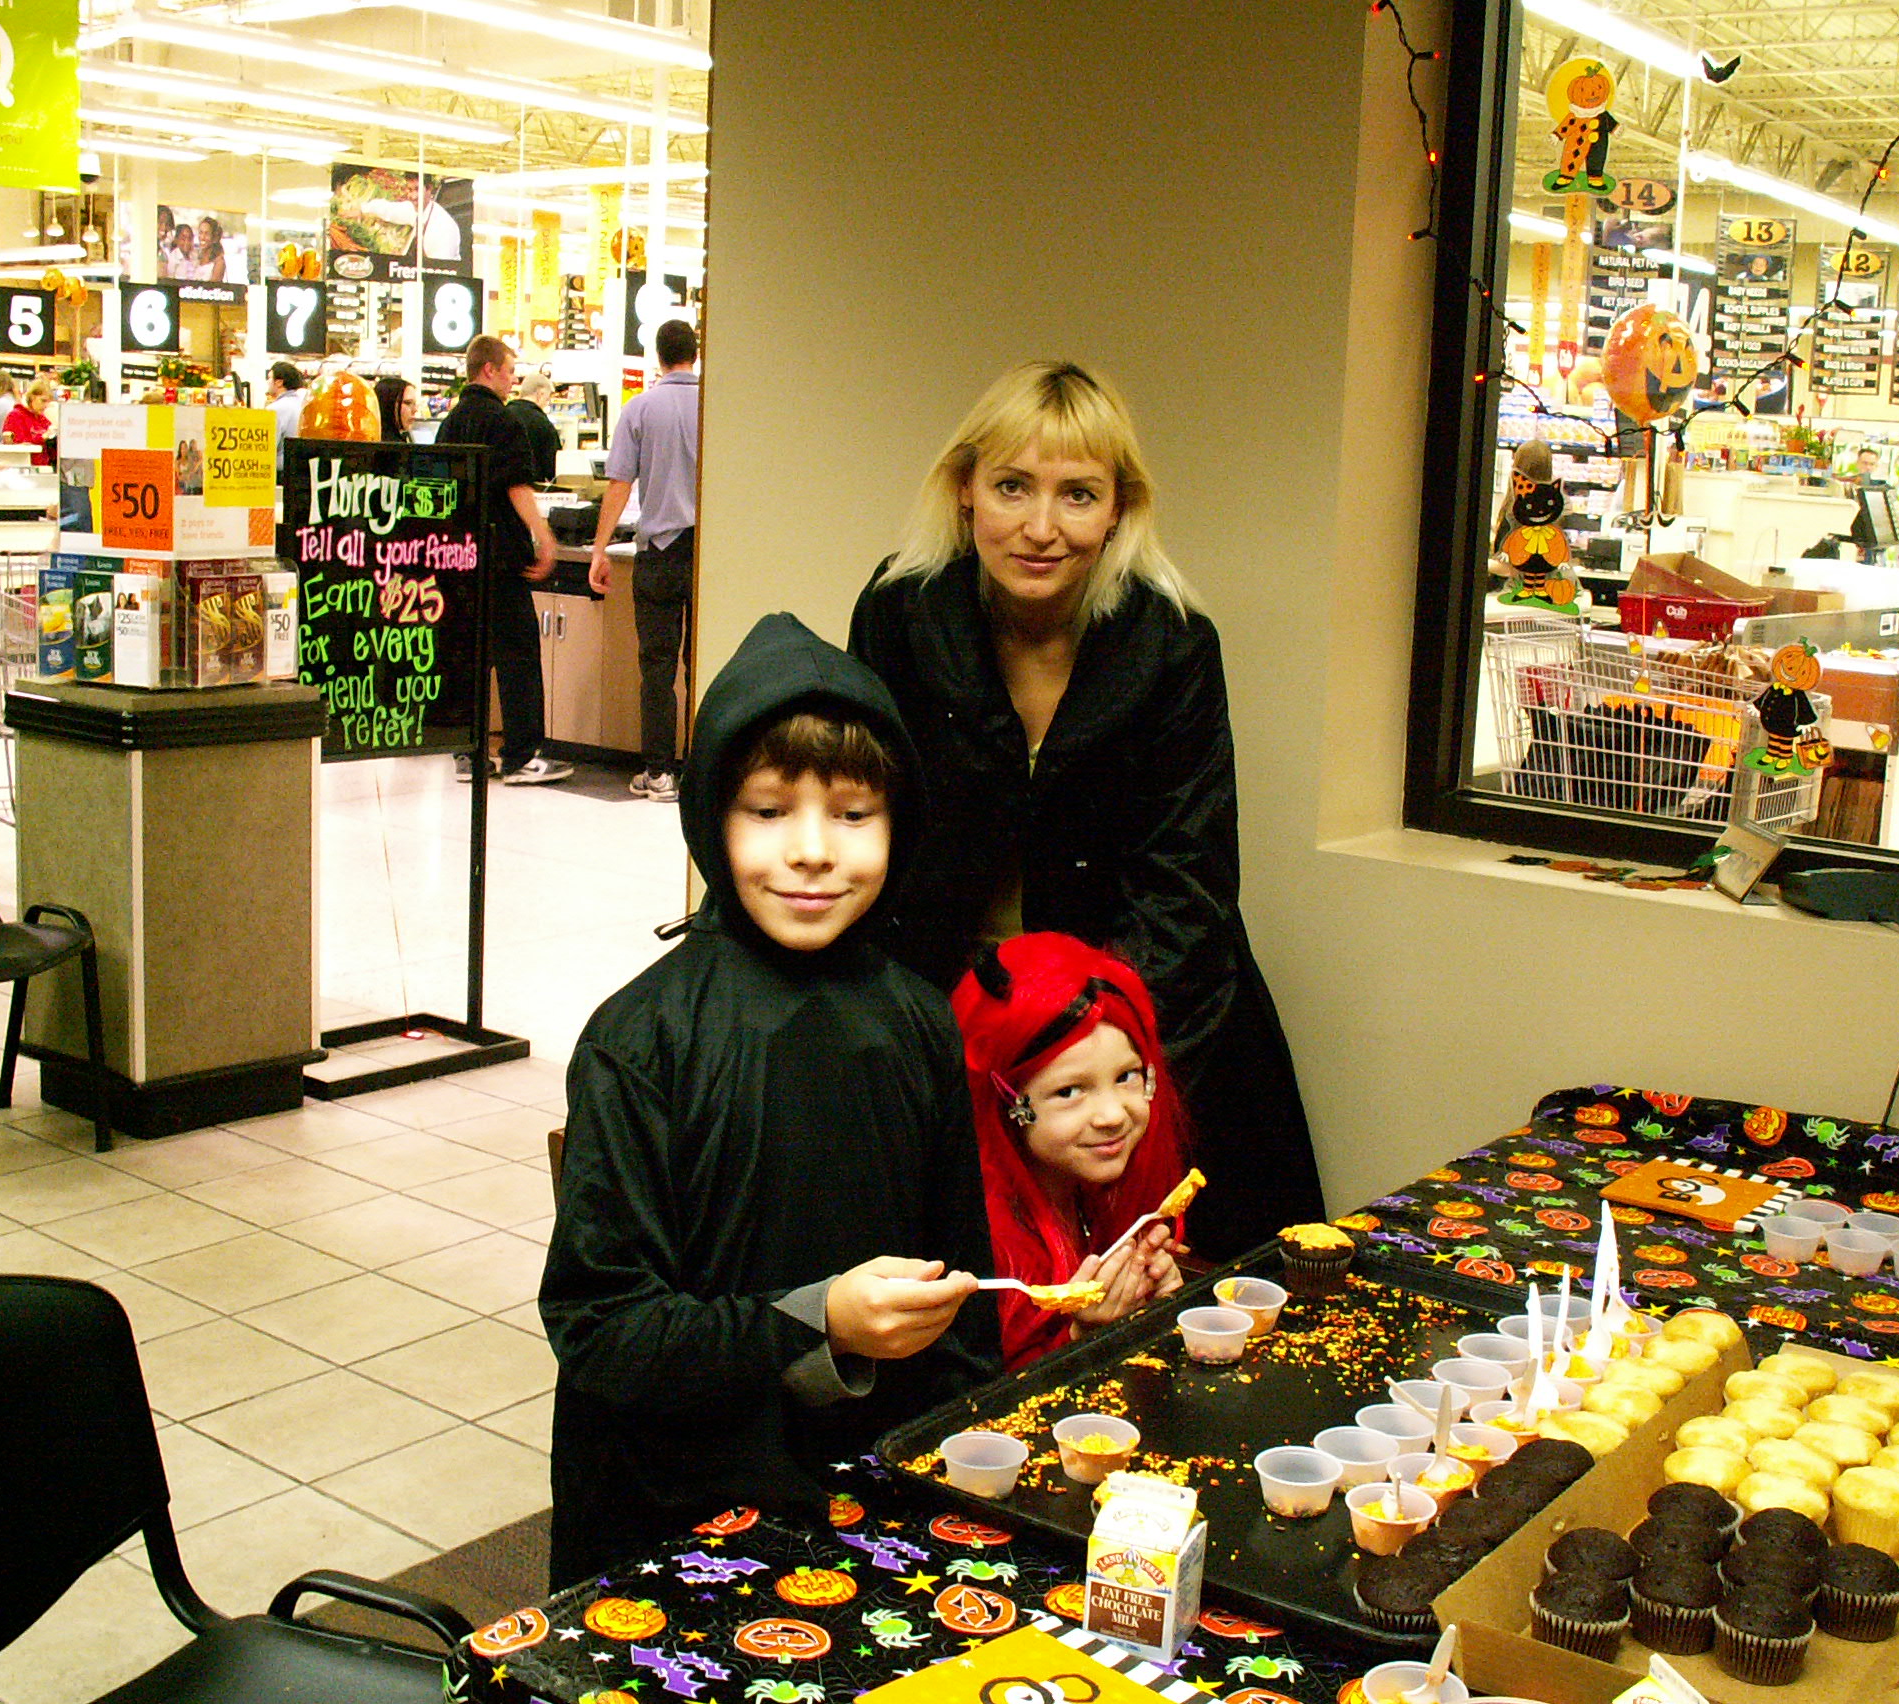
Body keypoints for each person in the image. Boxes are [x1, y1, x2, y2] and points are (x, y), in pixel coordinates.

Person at [541, 611, 997, 1584]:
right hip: (674, 1521)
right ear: (712, 816)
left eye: (853, 813)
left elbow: (962, 1289)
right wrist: (816, 1318)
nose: (812, 850)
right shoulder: (644, 1039)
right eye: (768, 810)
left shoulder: (919, 1020)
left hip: (881, 1504)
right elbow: (602, 1328)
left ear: (899, 821)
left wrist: (964, 1470)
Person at [848, 359, 1323, 1258]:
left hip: (1139, 1018)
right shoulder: (899, 615)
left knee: (1155, 1282)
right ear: (963, 490)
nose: (1041, 528)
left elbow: (1187, 886)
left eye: (1077, 494)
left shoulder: (1172, 641)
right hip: (952, 1011)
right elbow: (867, 826)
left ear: (1118, 510)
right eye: (1012, 487)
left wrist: (1092, 1068)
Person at [950, 932, 1186, 1369]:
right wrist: (1083, 1339)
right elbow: (979, 1399)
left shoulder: (1099, 1191)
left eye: (1127, 1076)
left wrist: (1157, 1303)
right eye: (1069, 1091)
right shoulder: (978, 1250)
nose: (1112, 1115)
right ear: (1005, 1101)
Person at [438, 335, 569, 786]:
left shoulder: (450, 424)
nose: (513, 380)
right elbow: (517, 486)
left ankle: (467, 753)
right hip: (500, 557)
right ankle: (521, 755)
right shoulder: (504, 421)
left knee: (467, 657)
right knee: (518, 657)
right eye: (510, 370)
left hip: (457, 558)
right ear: (489, 369)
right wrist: (544, 536)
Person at [588, 319, 699, 802]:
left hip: (659, 553)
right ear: (695, 353)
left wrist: (599, 550)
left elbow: (619, 485)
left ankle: (659, 772)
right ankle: (702, 769)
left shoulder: (640, 408)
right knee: (704, 660)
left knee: (657, 667)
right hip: (707, 553)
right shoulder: (716, 406)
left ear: (658, 356)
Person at [505, 372, 562, 489]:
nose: (547, 403)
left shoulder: (503, 414)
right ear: (540, 394)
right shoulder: (543, 423)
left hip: (500, 490)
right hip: (530, 490)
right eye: (547, 399)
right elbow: (554, 469)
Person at [2, 377, 56, 467]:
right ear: (32, 397)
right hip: (24, 468)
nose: (46, 405)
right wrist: (42, 437)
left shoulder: (42, 419)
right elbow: (20, 446)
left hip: (43, 468)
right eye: (43, 401)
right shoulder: (15, 416)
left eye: (48, 402)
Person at [266, 362, 310, 469]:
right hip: (301, 469)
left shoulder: (274, 410)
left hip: (280, 471)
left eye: (269, 378)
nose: (267, 382)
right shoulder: (305, 406)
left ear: (279, 382)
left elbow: (267, 449)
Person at [374, 374, 415, 443]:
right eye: (408, 403)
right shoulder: (393, 446)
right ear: (388, 404)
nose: (415, 410)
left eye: (415, 404)